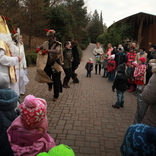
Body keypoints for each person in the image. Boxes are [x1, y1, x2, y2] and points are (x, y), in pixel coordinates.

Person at [35, 29, 63, 101]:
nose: (49, 38)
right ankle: (50, 85)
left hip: (56, 64)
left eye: (51, 36)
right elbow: (40, 47)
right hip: (47, 64)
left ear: (54, 36)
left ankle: (55, 95)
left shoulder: (58, 44)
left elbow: (57, 51)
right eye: (48, 36)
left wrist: (47, 51)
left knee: (56, 81)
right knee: (46, 76)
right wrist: (38, 49)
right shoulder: (45, 43)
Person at [0, 15, 22, 89]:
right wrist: (16, 59)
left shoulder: (5, 43)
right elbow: (1, 58)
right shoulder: (1, 43)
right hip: (3, 75)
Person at [10, 30, 29, 96]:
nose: (21, 39)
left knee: (22, 78)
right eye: (19, 38)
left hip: (21, 65)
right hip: (15, 65)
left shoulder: (21, 45)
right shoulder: (11, 45)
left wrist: (25, 65)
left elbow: (23, 55)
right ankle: (16, 92)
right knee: (16, 79)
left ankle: (21, 90)